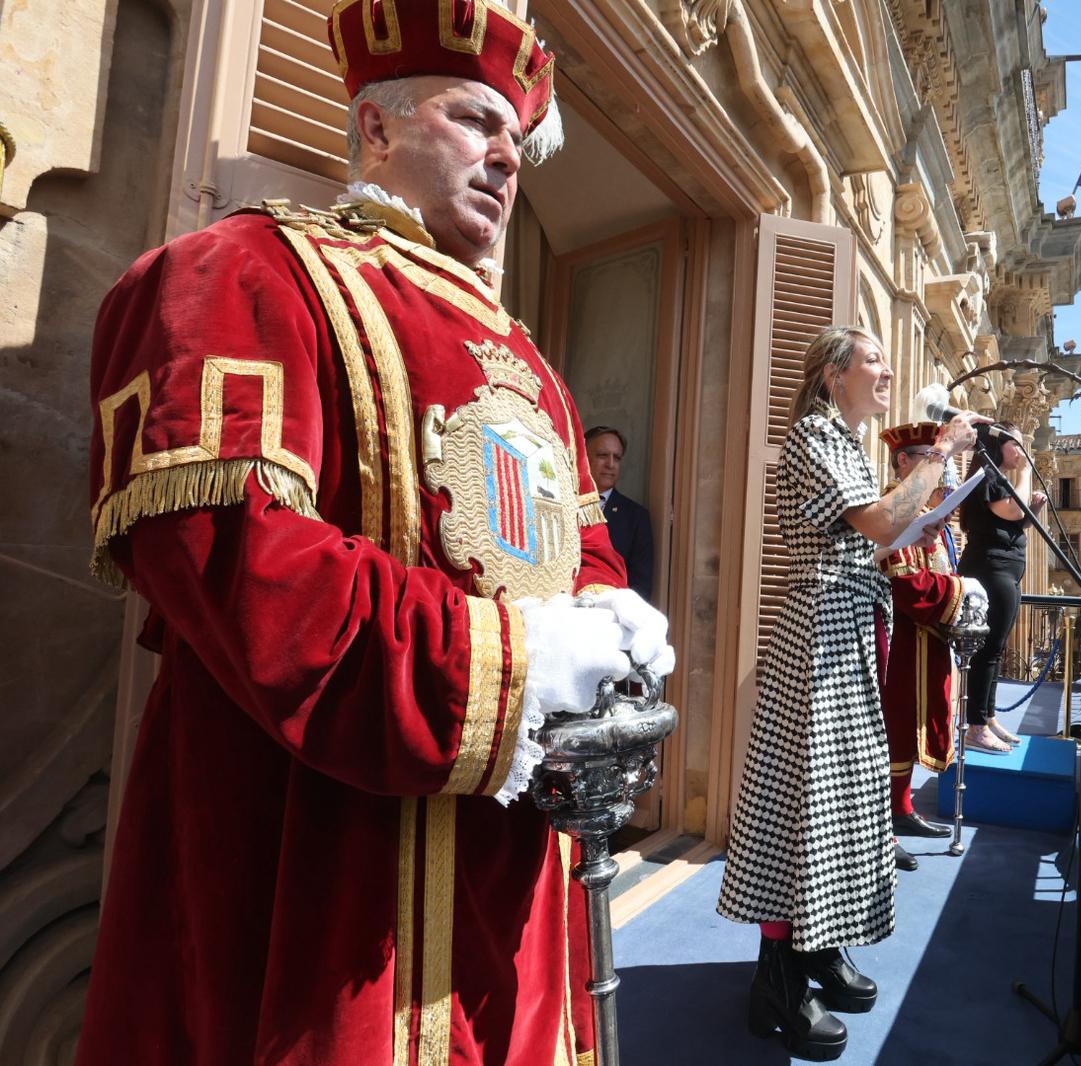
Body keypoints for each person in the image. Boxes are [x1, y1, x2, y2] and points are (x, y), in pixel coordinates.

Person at [78, 3, 673, 1063]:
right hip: (320, 846)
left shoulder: (527, 357)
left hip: (511, 848)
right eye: (475, 118)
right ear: (376, 126)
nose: (506, 156)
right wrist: (515, 664)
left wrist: (610, 614)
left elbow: (582, 544)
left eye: (516, 138)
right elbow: (235, 556)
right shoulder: (243, 270)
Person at [715, 327, 981, 1061]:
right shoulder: (813, 435)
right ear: (835, 375)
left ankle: (817, 945)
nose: (888, 370)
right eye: (873, 360)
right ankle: (779, 978)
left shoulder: (843, 441)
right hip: (818, 632)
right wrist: (940, 455)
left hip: (845, 625)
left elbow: (880, 531)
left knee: (839, 794)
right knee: (807, 795)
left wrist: (921, 502)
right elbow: (879, 521)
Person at [874, 421, 989, 859]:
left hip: (926, 638)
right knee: (891, 727)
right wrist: (961, 593)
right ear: (903, 461)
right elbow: (906, 585)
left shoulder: (930, 516)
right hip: (895, 638)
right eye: (929, 458)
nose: (938, 471)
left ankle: (900, 809)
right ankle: (883, 825)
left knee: (908, 726)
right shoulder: (892, 508)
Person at [957, 421, 1048, 753]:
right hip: (990, 569)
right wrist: (1025, 475)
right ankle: (976, 726)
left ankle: (988, 716)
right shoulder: (989, 477)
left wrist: (1032, 507)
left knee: (994, 649)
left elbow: (1011, 521)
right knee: (988, 650)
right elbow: (1010, 510)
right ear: (997, 445)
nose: (1021, 451)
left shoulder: (997, 478)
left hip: (1003, 569)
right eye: (1016, 444)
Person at [584, 425, 655, 599]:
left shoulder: (636, 517)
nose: (610, 464)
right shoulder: (564, 505)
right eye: (602, 455)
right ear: (583, 458)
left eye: (617, 458)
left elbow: (640, 587)